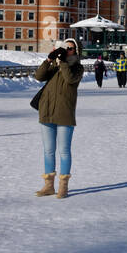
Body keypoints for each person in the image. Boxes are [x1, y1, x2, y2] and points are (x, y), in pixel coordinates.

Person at [34, 37, 84, 198]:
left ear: (76, 51)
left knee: (64, 151)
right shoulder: (55, 65)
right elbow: (39, 76)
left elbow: (70, 79)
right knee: (48, 151)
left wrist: (62, 61)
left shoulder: (78, 68)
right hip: (46, 111)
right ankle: (48, 185)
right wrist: (49, 59)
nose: (67, 50)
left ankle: (63, 186)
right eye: (65, 47)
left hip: (64, 114)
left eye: (70, 48)